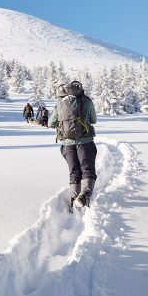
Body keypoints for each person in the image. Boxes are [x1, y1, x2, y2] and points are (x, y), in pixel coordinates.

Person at [48, 81, 97, 209]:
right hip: (85, 142)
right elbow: (94, 120)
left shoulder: (60, 103)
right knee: (88, 170)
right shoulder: (86, 100)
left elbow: (50, 123)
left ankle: (74, 200)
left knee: (74, 172)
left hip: (67, 144)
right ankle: (84, 195)